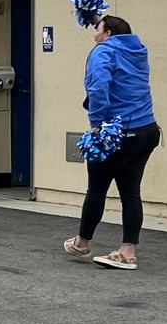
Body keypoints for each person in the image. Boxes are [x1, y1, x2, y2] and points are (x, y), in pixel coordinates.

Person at [64, 15, 161, 270]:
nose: (93, 32)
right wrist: (98, 16)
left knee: (96, 188)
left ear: (107, 33)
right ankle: (128, 250)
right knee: (130, 192)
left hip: (118, 132)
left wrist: (97, 125)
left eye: (97, 28)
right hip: (147, 130)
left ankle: (82, 242)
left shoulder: (103, 52)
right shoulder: (136, 50)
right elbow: (119, 31)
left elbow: (98, 87)